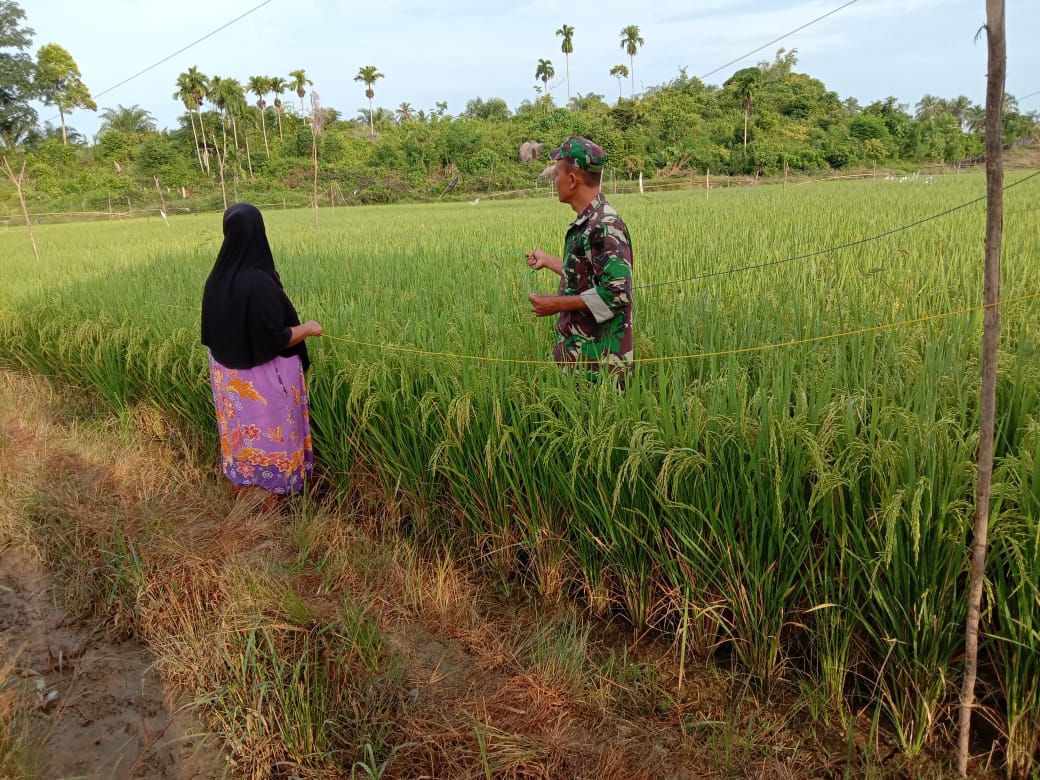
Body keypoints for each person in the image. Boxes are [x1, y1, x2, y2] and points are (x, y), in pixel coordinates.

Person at [201, 202, 322, 498]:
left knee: (243, 434)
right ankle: (274, 498)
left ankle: (246, 488)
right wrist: (309, 327)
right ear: (259, 233)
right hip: (264, 382)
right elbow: (277, 338)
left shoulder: (216, 279)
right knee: (274, 437)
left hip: (230, 381)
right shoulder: (259, 282)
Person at [525, 135, 634, 383]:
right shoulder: (589, 220)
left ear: (572, 180)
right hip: (580, 355)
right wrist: (547, 260)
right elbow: (586, 276)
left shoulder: (604, 225)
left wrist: (557, 304)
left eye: (558, 174)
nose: (555, 181)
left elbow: (617, 294)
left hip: (599, 364)